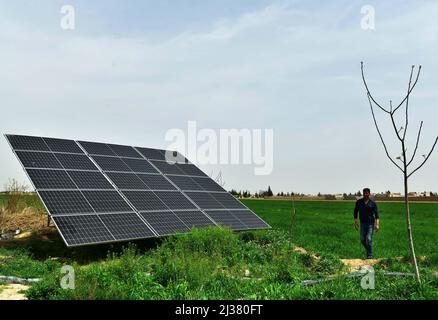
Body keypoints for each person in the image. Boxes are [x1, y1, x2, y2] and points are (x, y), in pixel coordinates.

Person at [354, 188, 380, 259]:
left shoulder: (373, 203)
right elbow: (355, 212)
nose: (365, 194)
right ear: (363, 194)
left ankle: (370, 255)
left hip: (370, 224)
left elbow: (377, 215)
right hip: (362, 223)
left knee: (368, 239)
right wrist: (356, 222)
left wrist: (377, 225)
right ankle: (369, 249)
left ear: (369, 194)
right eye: (364, 193)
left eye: (367, 193)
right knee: (362, 239)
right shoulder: (359, 202)